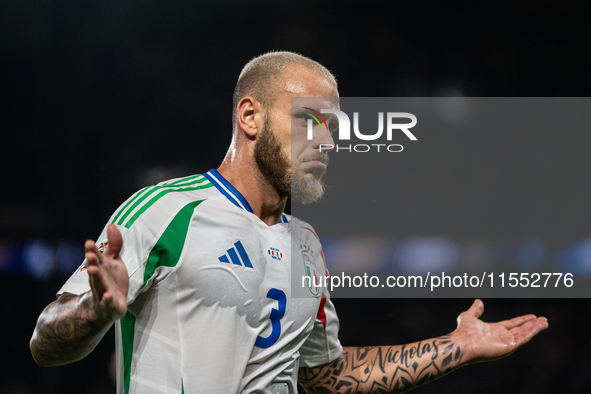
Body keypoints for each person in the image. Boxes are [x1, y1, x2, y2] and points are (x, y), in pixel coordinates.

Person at [30, 51, 548, 394]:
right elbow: (45, 343)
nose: (325, 140)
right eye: (308, 120)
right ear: (250, 117)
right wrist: (96, 313)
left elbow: (325, 374)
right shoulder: (167, 211)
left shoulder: (305, 245)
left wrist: (456, 347)